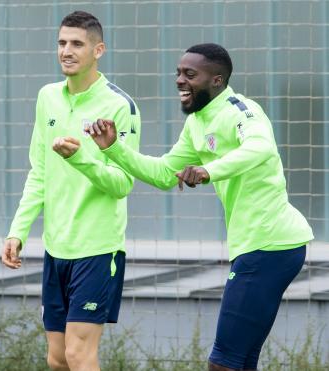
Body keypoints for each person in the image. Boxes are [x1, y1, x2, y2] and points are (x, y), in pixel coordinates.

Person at [86, 43, 313, 371]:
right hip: (259, 245)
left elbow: (260, 147)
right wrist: (114, 148)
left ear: (217, 80)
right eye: (178, 73)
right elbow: (165, 174)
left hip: (270, 245)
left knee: (221, 364)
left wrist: (210, 170)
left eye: (190, 74)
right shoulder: (196, 123)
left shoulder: (240, 110)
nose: (180, 80)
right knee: (240, 362)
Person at [1, 11, 141, 371]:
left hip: (97, 248)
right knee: (58, 359)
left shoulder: (119, 106)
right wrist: (18, 230)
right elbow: (39, 172)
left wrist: (81, 159)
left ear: (99, 50)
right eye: (62, 43)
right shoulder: (47, 97)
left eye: (77, 44)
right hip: (56, 247)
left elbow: (122, 183)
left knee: (80, 355)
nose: (66, 50)